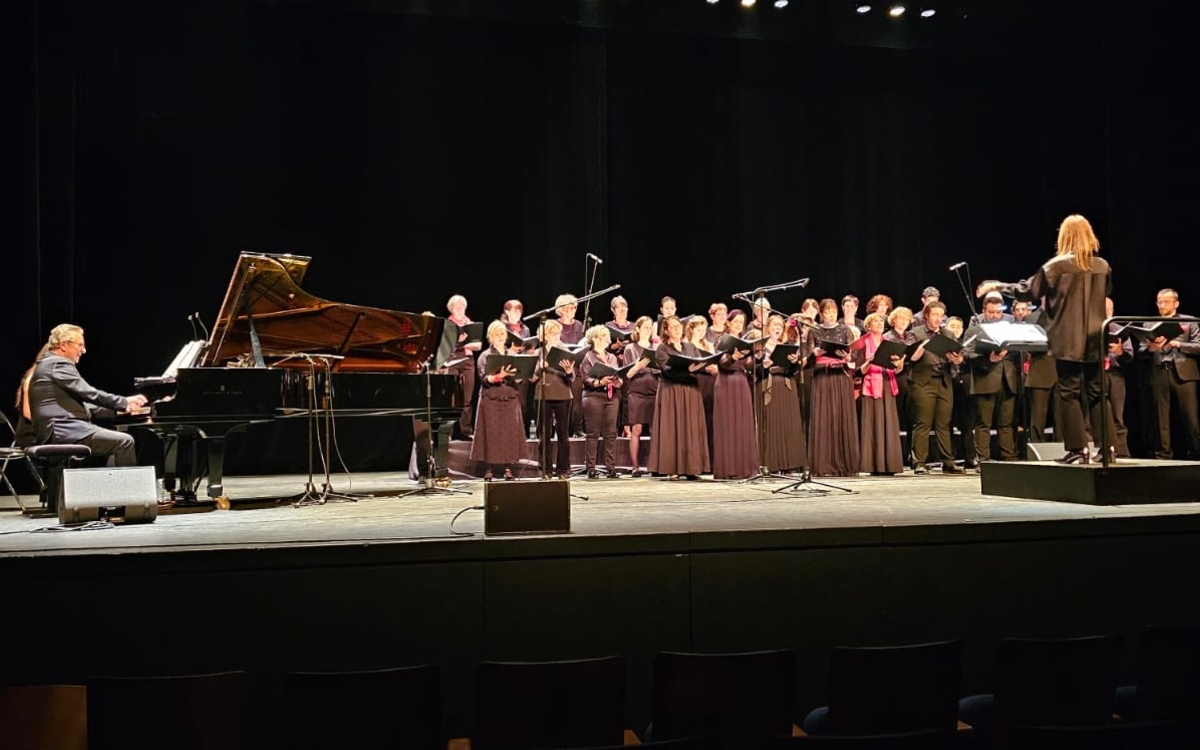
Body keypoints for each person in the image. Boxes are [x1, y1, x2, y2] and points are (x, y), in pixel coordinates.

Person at [977, 214, 1119, 464]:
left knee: (1069, 393)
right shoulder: (1102, 266)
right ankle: (1107, 449)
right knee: (1098, 394)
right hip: (1096, 338)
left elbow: (1028, 291)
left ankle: (1078, 450)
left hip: (1067, 339)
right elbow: (1104, 295)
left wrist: (996, 285)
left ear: (1064, 236)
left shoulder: (1057, 266)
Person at [29, 324, 147, 466]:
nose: (83, 350)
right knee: (124, 441)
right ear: (64, 345)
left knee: (113, 437)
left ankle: (104, 486)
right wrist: (123, 402)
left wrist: (119, 411)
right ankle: (129, 488)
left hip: (61, 429)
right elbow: (88, 393)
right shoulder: (58, 363)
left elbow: (82, 405)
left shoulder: (49, 364)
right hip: (63, 430)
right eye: (80, 345)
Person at [1138, 288, 1200, 460]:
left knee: (1190, 418)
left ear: (1176, 303)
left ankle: (1195, 454)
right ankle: (1163, 455)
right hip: (1159, 372)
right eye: (1159, 301)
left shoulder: (1189, 321)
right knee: (1160, 418)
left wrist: (1177, 344)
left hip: (1183, 374)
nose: (1162, 305)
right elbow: (1141, 351)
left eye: (1166, 301)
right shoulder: (1149, 324)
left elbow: (1198, 345)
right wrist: (1151, 348)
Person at [648, 315, 712, 480]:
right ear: (667, 330)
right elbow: (667, 370)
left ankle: (692, 468)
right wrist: (689, 370)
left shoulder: (690, 347)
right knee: (673, 429)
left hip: (690, 391)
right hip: (672, 391)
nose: (677, 329)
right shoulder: (662, 348)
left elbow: (700, 364)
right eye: (673, 327)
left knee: (690, 428)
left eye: (678, 326)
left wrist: (705, 367)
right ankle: (673, 468)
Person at [908, 301, 966, 474]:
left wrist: (957, 360)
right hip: (923, 381)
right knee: (923, 422)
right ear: (926, 316)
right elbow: (911, 357)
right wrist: (924, 344)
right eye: (934, 315)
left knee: (944, 423)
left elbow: (959, 358)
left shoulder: (947, 333)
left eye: (940, 316)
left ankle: (948, 461)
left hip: (944, 381)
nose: (937, 319)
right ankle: (919, 462)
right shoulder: (916, 333)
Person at [963, 298, 1021, 465]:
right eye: (991, 312)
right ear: (984, 312)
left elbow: (1017, 354)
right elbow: (967, 354)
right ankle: (983, 460)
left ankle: (1009, 458)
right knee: (983, 424)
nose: (995, 316)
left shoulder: (1009, 331)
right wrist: (989, 358)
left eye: (998, 312)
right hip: (985, 379)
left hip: (1008, 380)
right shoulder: (974, 330)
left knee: (1007, 423)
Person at [470, 321, 527, 481]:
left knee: (510, 432)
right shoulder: (485, 355)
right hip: (491, 398)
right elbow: (484, 377)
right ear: (490, 337)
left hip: (510, 397)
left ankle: (508, 468)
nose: (500, 337)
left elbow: (521, 376)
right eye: (497, 334)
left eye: (502, 334)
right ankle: (489, 468)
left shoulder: (513, 355)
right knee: (491, 432)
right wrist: (499, 376)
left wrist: (519, 373)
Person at [808, 300, 858, 476]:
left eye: (834, 311)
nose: (831, 315)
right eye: (827, 312)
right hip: (823, 376)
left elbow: (853, 354)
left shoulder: (845, 330)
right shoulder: (814, 330)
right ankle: (824, 464)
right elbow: (807, 356)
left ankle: (845, 463)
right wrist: (815, 353)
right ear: (821, 314)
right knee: (824, 418)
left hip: (840, 377)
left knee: (840, 417)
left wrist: (846, 355)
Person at [711, 310, 759, 479]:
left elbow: (747, 364)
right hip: (725, 383)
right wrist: (733, 357)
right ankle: (728, 468)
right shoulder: (721, 340)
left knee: (742, 424)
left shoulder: (746, 341)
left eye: (741, 322)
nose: (739, 324)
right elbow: (722, 364)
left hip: (741, 382)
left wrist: (757, 357)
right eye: (736, 321)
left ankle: (744, 468)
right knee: (728, 424)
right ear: (729, 323)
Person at [855, 312, 905, 474]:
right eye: (875, 322)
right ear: (868, 326)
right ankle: (873, 465)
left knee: (888, 423)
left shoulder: (888, 343)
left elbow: (897, 369)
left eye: (881, 322)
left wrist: (898, 364)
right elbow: (858, 371)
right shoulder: (863, 344)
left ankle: (890, 464)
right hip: (870, 386)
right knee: (873, 423)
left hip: (886, 384)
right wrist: (869, 361)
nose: (879, 324)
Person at [579, 326, 624, 478]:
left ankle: (611, 468)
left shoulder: (612, 357)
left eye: (607, 336)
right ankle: (591, 468)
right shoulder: (588, 357)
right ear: (595, 339)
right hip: (594, 396)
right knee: (593, 433)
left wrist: (618, 382)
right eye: (604, 336)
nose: (607, 339)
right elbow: (586, 378)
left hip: (611, 396)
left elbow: (617, 374)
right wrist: (600, 381)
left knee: (611, 433)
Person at [532, 319, 575, 479]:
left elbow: (572, 377)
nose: (555, 336)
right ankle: (546, 469)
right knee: (545, 434)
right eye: (552, 333)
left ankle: (563, 469)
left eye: (557, 333)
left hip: (563, 395)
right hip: (543, 396)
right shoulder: (538, 353)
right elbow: (531, 378)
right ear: (544, 335)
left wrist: (569, 371)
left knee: (563, 433)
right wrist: (539, 368)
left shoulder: (565, 351)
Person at [1012, 299, 1057, 445]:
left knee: (1064, 414)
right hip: (1040, 370)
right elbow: (1028, 346)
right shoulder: (1031, 318)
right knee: (1038, 415)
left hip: (1064, 372)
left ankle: (1067, 448)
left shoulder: (1065, 314)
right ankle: (1038, 449)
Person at [621, 316, 658, 477]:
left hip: (654, 390)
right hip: (636, 392)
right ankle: (635, 466)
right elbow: (627, 374)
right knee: (636, 429)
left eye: (650, 327)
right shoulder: (630, 348)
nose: (648, 330)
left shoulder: (656, 348)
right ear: (637, 329)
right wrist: (639, 366)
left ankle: (655, 465)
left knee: (654, 429)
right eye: (645, 327)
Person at [445, 294, 482, 439]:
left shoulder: (470, 324)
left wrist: (463, 343)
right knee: (451, 398)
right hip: (452, 360)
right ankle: (447, 433)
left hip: (467, 361)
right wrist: (459, 342)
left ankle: (466, 432)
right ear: (451, 309)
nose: (460, 310)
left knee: (466, 399)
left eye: (462, 307)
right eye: (457, 308)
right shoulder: (448, 324)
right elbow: (445, 345)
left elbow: (478, 345)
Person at [1104, 297, 1134, 458]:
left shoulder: (1120, 331)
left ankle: (1121, 452)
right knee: (1090, 416)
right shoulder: (1087, 328)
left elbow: (1130, 357)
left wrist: (1120, 352)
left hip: (1115, 374)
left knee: (1117, 415)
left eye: (1107, 309)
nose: (1105, 312)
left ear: (1112, 311)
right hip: (1094, 375)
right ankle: (1096, 450)